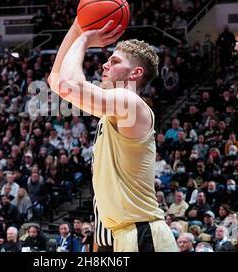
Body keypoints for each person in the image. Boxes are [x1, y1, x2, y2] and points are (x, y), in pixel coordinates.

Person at [48, 18, 178, 252]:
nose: (104, 66)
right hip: (124, 235)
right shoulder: (113, 113)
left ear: (136, 73)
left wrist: (86, 39)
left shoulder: (132, 102)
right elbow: (56, 81)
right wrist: (78, 26)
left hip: (143, 234)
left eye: (115, 61)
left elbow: (68, 83)